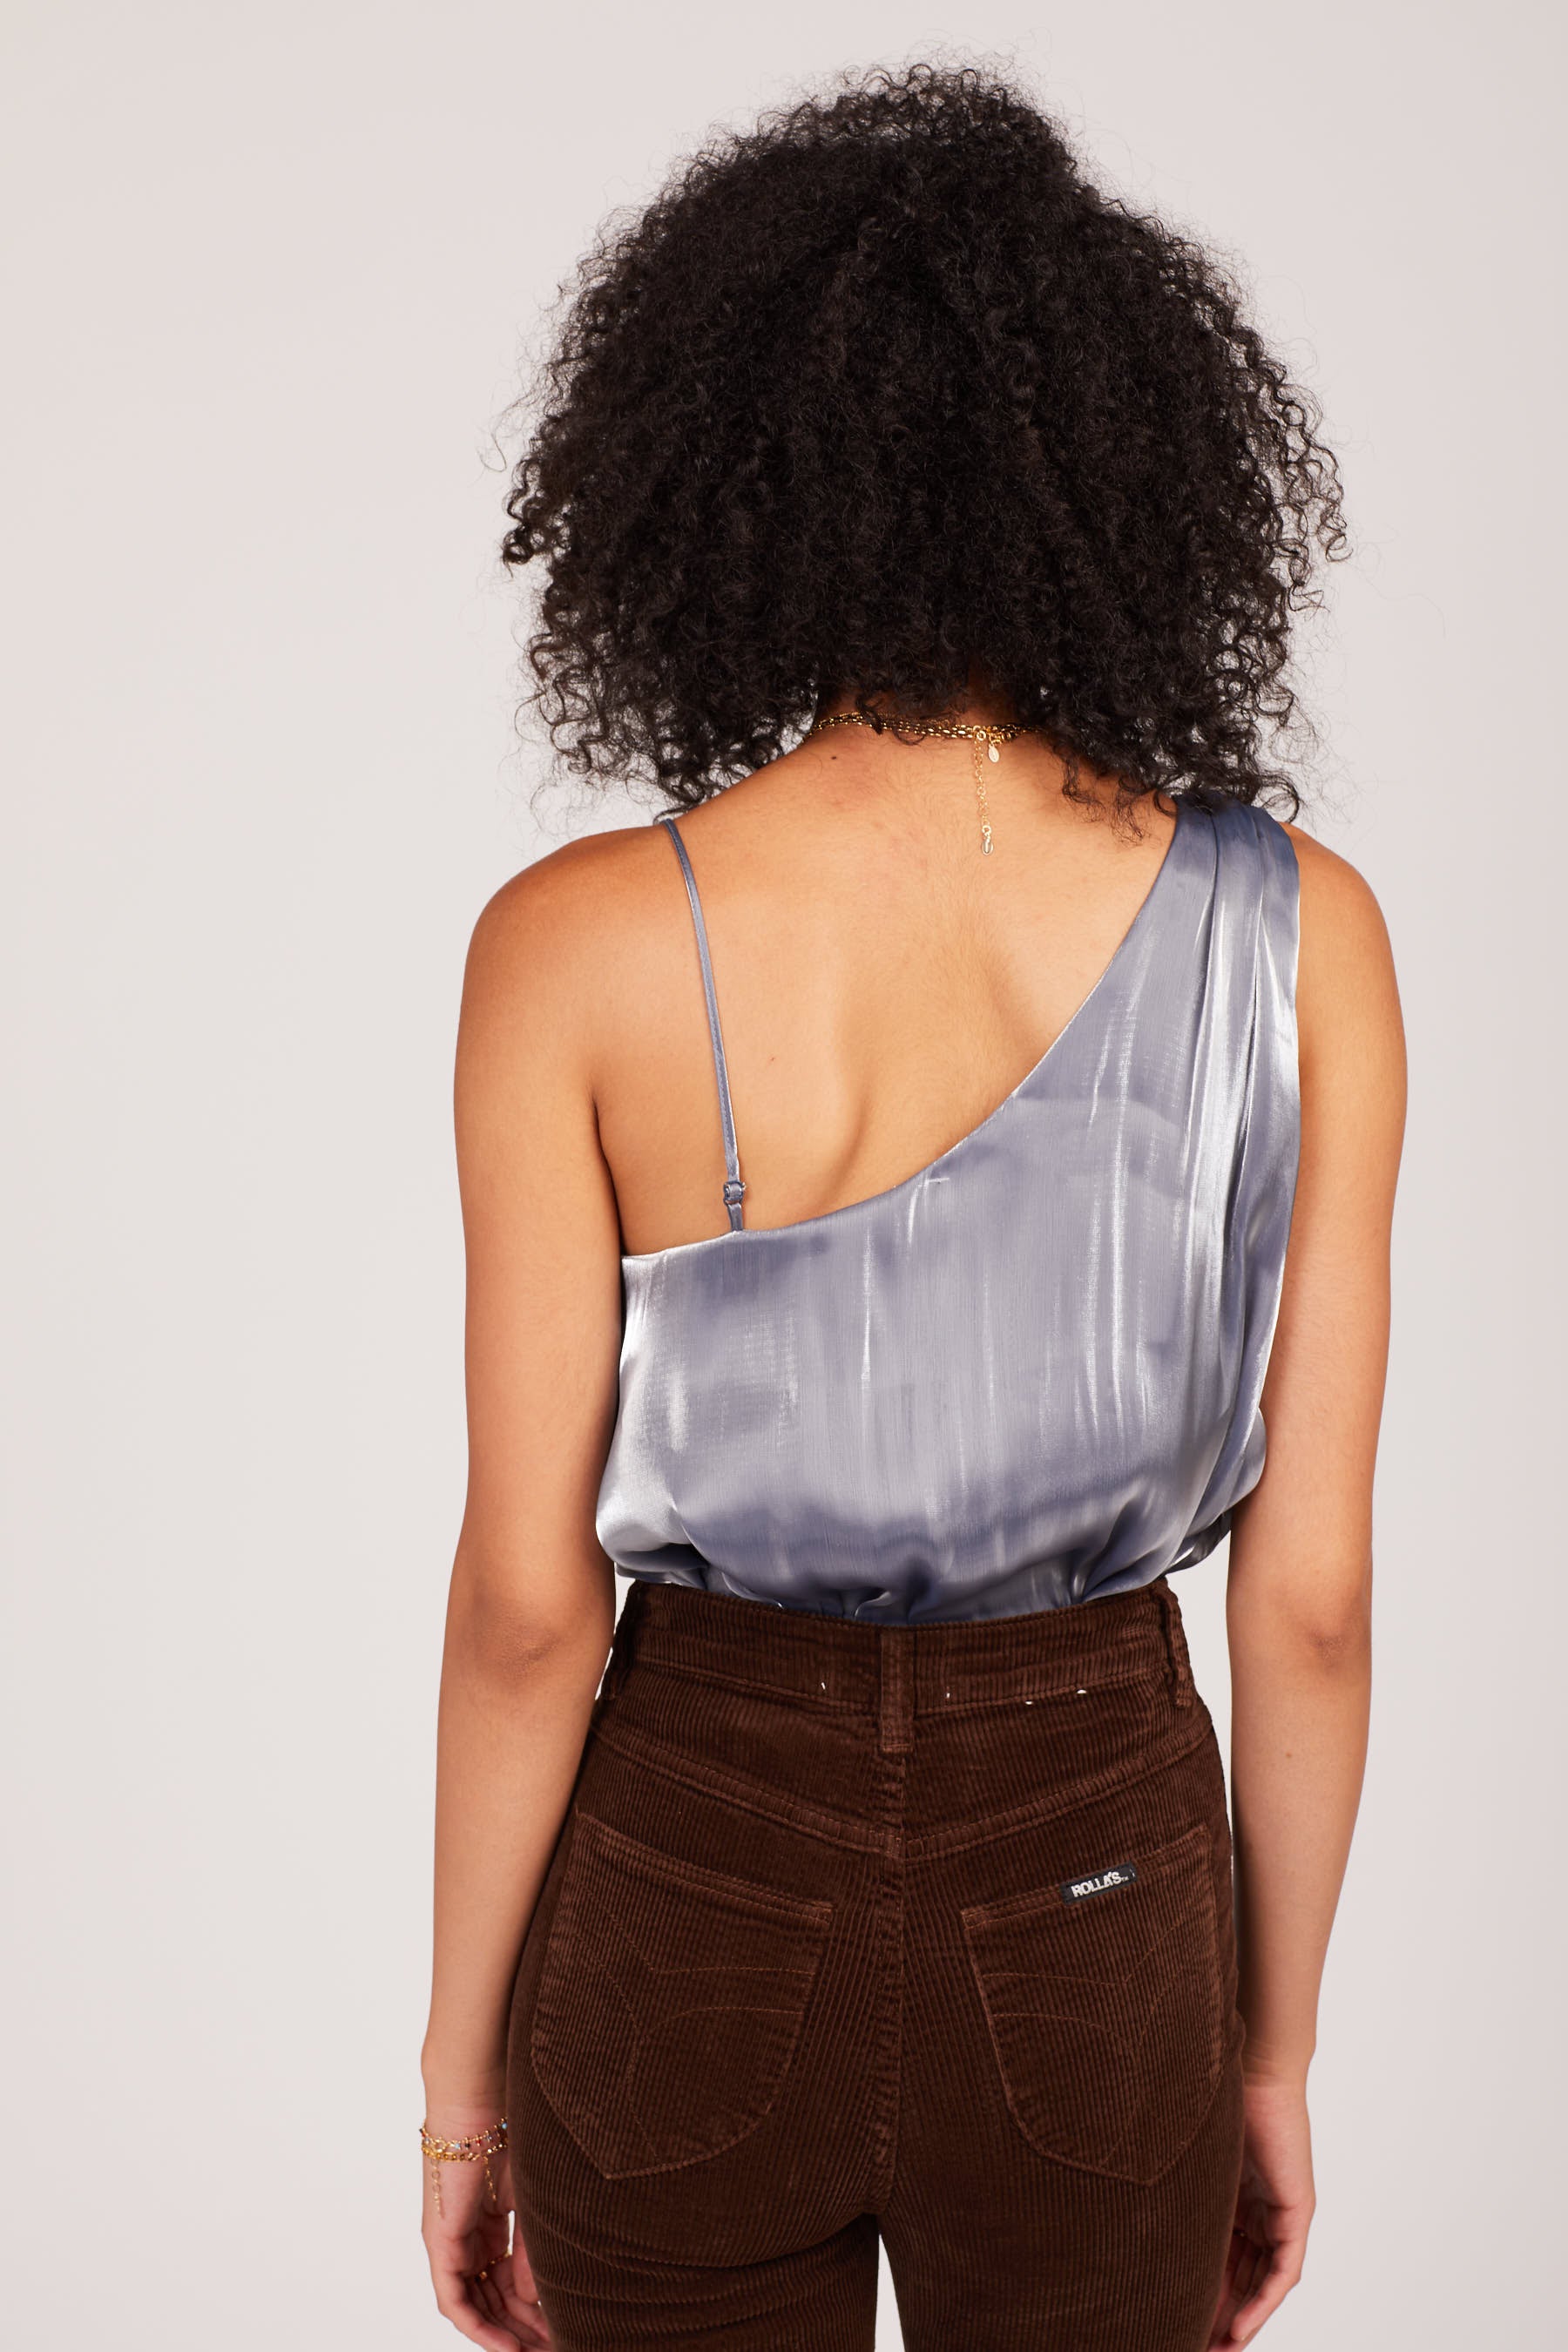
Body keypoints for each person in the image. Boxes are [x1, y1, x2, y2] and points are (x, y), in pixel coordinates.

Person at [418, 60, 1404, 2352]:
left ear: (720, 474)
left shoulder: (573, 945)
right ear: (1136, 466)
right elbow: (1318, 1601)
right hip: (1104, 1889)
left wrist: (463, 2094)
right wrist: (1267, 2050)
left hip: (684, 1869)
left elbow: (527, 1611)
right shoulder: (1301, 934)